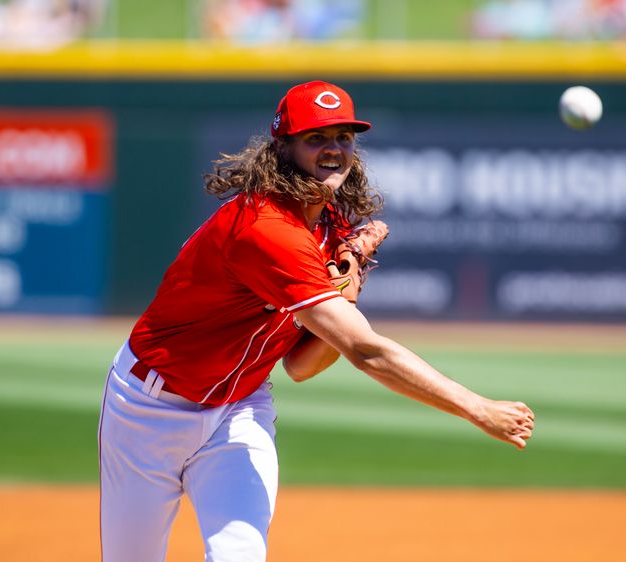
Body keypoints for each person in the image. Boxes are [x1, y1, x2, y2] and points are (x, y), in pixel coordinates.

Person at [98, 80, 535, 562]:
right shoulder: (265, 229)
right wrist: (477, 408)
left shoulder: (330, 221)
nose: (334, 150)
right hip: (149, 410)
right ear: (282, 147)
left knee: (239, 554)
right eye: (317, 138)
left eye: (344, 137)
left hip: (240, 409)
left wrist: (350, 279)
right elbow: (365, 351)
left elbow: (302, 365)